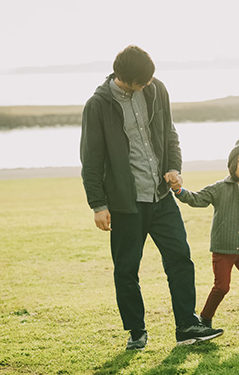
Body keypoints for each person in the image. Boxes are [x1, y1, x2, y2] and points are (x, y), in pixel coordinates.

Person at [79, 45, 223, 350]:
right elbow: (91, 159)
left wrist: (174, 167)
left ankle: (186, 325)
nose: (147, 85)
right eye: (141, 83)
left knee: (181, 259)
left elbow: (169, 133)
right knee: (127, 269)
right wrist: (98, 205)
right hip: (125, 203)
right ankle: (136, 331)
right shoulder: (97, 106)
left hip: (161, 197)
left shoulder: (156, 89)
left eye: (149, 80)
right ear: (123, 78)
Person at [168, 138, 239, 337]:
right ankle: (205, 319)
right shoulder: (221, 188)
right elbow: (196, 199)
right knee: (222, 287)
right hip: (223, 248)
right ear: (231, 165)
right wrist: (178, 190)